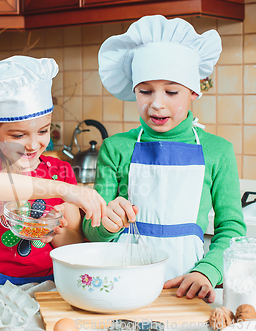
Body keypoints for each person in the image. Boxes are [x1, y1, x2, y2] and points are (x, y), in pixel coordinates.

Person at [83, 15, 246, 302]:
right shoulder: (116, 147)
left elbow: (231, 228)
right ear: (134, 91)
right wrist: (105, 223)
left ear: (194, 91)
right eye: (145, 91)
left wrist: (208, 271)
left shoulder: (218, 151)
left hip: (188, 287)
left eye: (172, 91)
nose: (157, 103)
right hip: (122, 285)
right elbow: (91, 230)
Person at [0, 55, 107, 285]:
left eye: (43, 131)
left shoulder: (61, 170)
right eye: (18, 135)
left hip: (49, 287)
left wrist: (58, 233)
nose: (32, 144)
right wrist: (63, 190)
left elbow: (73, 245)